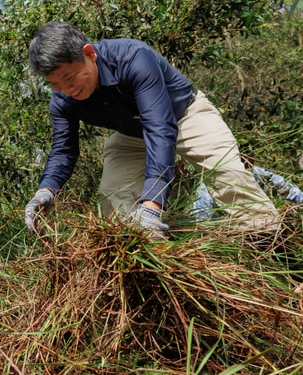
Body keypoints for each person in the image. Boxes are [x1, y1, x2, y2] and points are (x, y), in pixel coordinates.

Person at [24, 21, 278, 241]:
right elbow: (64, 151)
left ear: (89, 53)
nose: (66, 90)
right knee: (114, 194)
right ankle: (153, 263)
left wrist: (152, 206)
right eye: (54, 84)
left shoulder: (133, 57)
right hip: (132, 133)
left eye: (69, 78)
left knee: (227, 174)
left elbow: (160, 128)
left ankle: (272, 247)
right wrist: (45, 191)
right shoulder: (62, 100)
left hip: (185, 116)